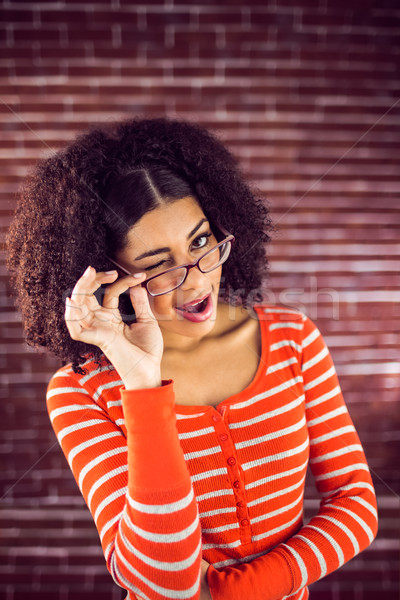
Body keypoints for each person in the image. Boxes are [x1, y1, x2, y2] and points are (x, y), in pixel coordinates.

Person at [6, 117, 378, 600]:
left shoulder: (294, 339)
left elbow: (356, 504)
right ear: (106, 278)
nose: (198, 280)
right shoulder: (81, 392)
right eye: (158, 265)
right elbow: (158, 580)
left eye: (201, 242)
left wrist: (237, 590)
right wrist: (141, 384)